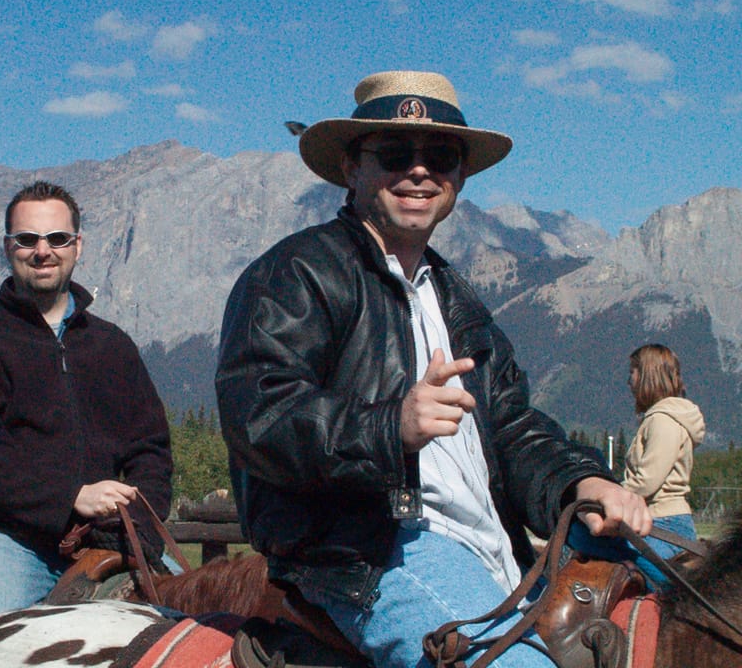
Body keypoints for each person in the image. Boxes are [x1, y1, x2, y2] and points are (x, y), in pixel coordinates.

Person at [215, 71, 651, 667]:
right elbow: (258, 415)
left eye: (440, 157)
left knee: (691, 607)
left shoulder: (456, 296)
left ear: (460, 178)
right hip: (373, 551)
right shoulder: (296, 272)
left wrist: (583, 482)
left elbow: (513, 425)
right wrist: (389, 426)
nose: (419, 172)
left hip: (490, 541)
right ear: (351, 168)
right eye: (394, 154)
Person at [0, 181, 173, 622]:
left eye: (57, 238)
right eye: (27, 239)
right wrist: (70, 497)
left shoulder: (113, 346)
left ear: (77, 246)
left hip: (108, 538)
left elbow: (150, 448)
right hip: (8, 542)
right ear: (8, 247)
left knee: (196, 630)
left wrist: (139, 523)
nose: (43, 251)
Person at [622, 344, 705, 560]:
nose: (629, 380)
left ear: (648, 375)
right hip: (663, 521)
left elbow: (648, 480)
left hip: (662, 522)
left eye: (633, 372)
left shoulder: (663, 420)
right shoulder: (661, 418)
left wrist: (609, 495)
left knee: (625, 564)